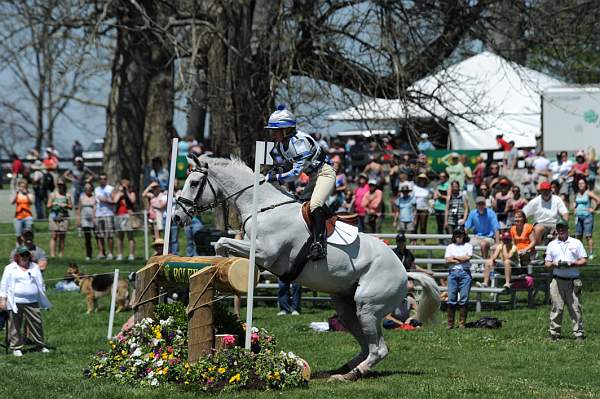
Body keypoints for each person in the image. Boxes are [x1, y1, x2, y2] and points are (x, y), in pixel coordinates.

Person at [265, 105, 334, 260]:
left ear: (286, 130)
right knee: (299, 205)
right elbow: (289, 164)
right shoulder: (281, 145)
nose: (273, 134)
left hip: (325, 173)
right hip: (313, 176)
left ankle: (319, 244)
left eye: (275, 131)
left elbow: (295, 174)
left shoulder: (299, 142)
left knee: (315, 204)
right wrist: (277, 170)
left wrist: (276, 178)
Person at [0, 246, 51, 356]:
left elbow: (40, 282)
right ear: (17, 256)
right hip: (15, 301)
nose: (25, 257)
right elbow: (3, 285)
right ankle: (16, 347)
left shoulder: (34, 267)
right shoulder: (9, 268)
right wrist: (2, 300)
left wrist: (42, 295)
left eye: (26, 255)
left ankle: (40, 345)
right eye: (22, 255)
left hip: (32, 301)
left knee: (37, 323)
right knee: (14, 325)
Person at [544, 221, 586, 341]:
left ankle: (579, 334)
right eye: (559, 228)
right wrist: (553, 264)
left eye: (563, 227)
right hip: (557, 280)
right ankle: (554, 333)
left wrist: (573, 263)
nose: (561, 230)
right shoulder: (552, 244)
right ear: (556, 230)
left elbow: (584, 260)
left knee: (575, 307)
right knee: (556, 307)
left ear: (567, 228)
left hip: (573, 281)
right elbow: (547, 263)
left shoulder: (576, 243)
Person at [445, 228, 473, 329]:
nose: (459, 237)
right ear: (454, 236)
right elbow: (447, 260)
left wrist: (454, 258)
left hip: (465, 273)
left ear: (464, 236)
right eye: (457, 235)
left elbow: (468, 258)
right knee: (451, 298)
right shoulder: (450, 246)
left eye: (460, 235)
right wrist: (461, 258)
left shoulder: (468, 246)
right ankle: (450, 323)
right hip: (453, 274)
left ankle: (462, 323)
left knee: (464, 298)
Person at [572, 178, 600, 259]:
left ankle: (590, 253)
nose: (581, 185)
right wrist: (574, 208)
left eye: (582, 183)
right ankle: (580, 253)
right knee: (578, 236)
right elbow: (575, 202)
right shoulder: (576, 193)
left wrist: (594, 209)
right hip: (578, 217)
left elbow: (598, 200)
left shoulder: (589, 193)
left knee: (588, 236)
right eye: (579, 183)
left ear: (586, 185)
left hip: (587, 216)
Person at [47, 178, 72, 258]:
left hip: (64, 217)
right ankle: (53, 255)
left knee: (62, 236)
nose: (60, 186)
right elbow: (48, 205)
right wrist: (54, 203)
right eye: (58, 184)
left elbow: (71, 206)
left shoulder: (67, 195)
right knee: (54, 236)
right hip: (54, 217)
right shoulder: (52, 194)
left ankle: (61, 254)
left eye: (61, 184)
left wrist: (66, 205)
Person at [113, 179, 137, 261]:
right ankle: (120, 254)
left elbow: (132, 201)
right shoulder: (119, 194)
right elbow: (114, 201)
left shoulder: (131, 193)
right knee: (119, 237)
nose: (123, 186)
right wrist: (120, 193)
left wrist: (126, 192)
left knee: (130, 236)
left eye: (125, 185)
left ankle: (131, 254)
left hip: (128, 215)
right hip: (119, 215)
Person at [94, 173, 115, 260]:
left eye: (104, 179)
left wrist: (105, 199)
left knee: (109, 235)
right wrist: (94, 215)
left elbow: (113, 200)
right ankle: (101, 253)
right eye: (101, 179)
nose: (102, 180)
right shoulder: (96, 189)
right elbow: (96, 201)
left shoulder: (110, 188)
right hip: (99, 214)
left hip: (108, 214)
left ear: (106, 179)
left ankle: (110, 253)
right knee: (100, 235)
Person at [77, 183, 96, 260]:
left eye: (89, 188)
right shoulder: (81, 197)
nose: (88, 189)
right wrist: (78, 220)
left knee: (98, 237)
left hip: (93, 219)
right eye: (86, 188)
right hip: (84, 220)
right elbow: (79, 209)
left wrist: (94, 218)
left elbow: (95, 208)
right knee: (87, 237)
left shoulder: (94, 197)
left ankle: (102, 253)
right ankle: (89, 254)